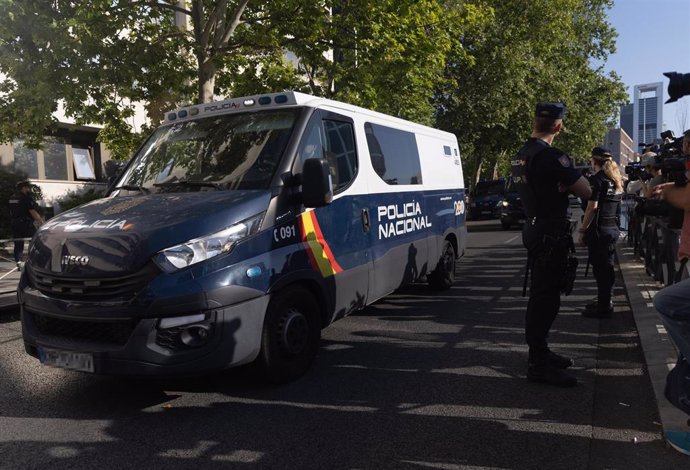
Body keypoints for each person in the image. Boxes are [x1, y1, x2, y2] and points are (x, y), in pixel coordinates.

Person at [511, 102, 592, 387]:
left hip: (533, 227)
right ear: (559, 126)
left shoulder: (521, 154)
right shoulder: (551, 157)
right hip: (550, 232)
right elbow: (586, 189)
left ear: (534, 121)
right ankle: (538, 363)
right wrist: (567, 184)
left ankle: (542, 352)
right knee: (545, 299)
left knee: (542, 295)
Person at [577, 147, 623, 318]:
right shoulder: (616, 180)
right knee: (608, 266)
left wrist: (582, 230)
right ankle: (606, 300)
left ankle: (604, 306)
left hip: (599, 230)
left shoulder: (597, 180)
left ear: (594, 161)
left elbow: (592, 207)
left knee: (601, 269)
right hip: (612, 228)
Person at [8, 180, 44, 265]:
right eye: (28, 188)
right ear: (24, 188)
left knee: (18, 242)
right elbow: (32, 212)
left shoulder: (12, 198)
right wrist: (42, 223)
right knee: (35, 239)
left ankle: (19, 261)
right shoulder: (25, 198)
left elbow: (9, 211)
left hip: (14, 223)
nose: (29, 189)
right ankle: (35, 260)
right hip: (25, 223)